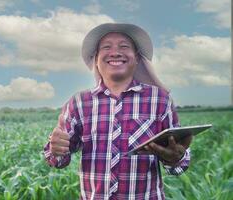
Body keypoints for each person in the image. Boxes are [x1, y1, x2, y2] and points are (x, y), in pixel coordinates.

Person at [43, 23, 192, 199]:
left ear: (136, 58)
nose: (115, 52)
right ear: (96, 60)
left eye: (124, 46)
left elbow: (178, 161)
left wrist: (176, 157)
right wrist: (56, 150)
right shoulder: (79, 103)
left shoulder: (160, 100)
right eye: (106, 47)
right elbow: (58, 159)